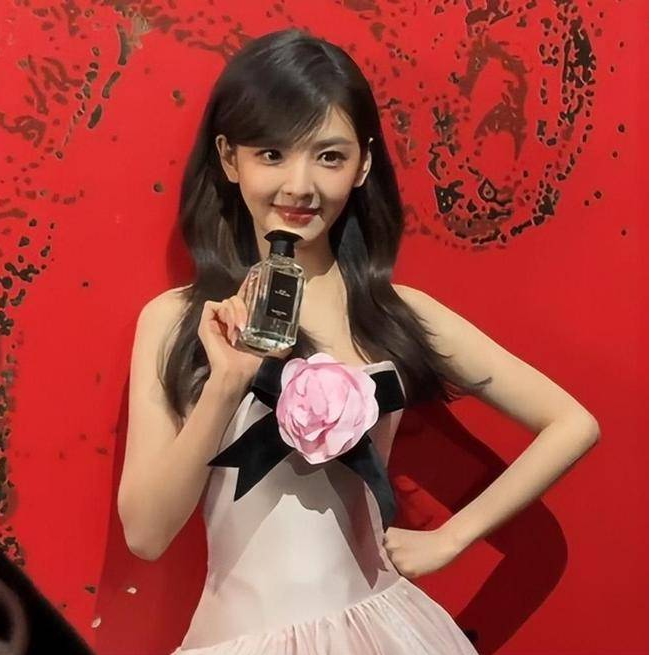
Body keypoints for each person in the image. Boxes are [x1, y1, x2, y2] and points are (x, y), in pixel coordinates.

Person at [116, 27, 600, 654]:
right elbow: (146, 535)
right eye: (271, 154)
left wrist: (451, 538)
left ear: (363, 164)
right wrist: (227, 382)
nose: (300, 185)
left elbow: (572, 422)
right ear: (230, 159)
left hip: (382, 629)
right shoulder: (176, 319)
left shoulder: (392, 313)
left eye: (329, 156)